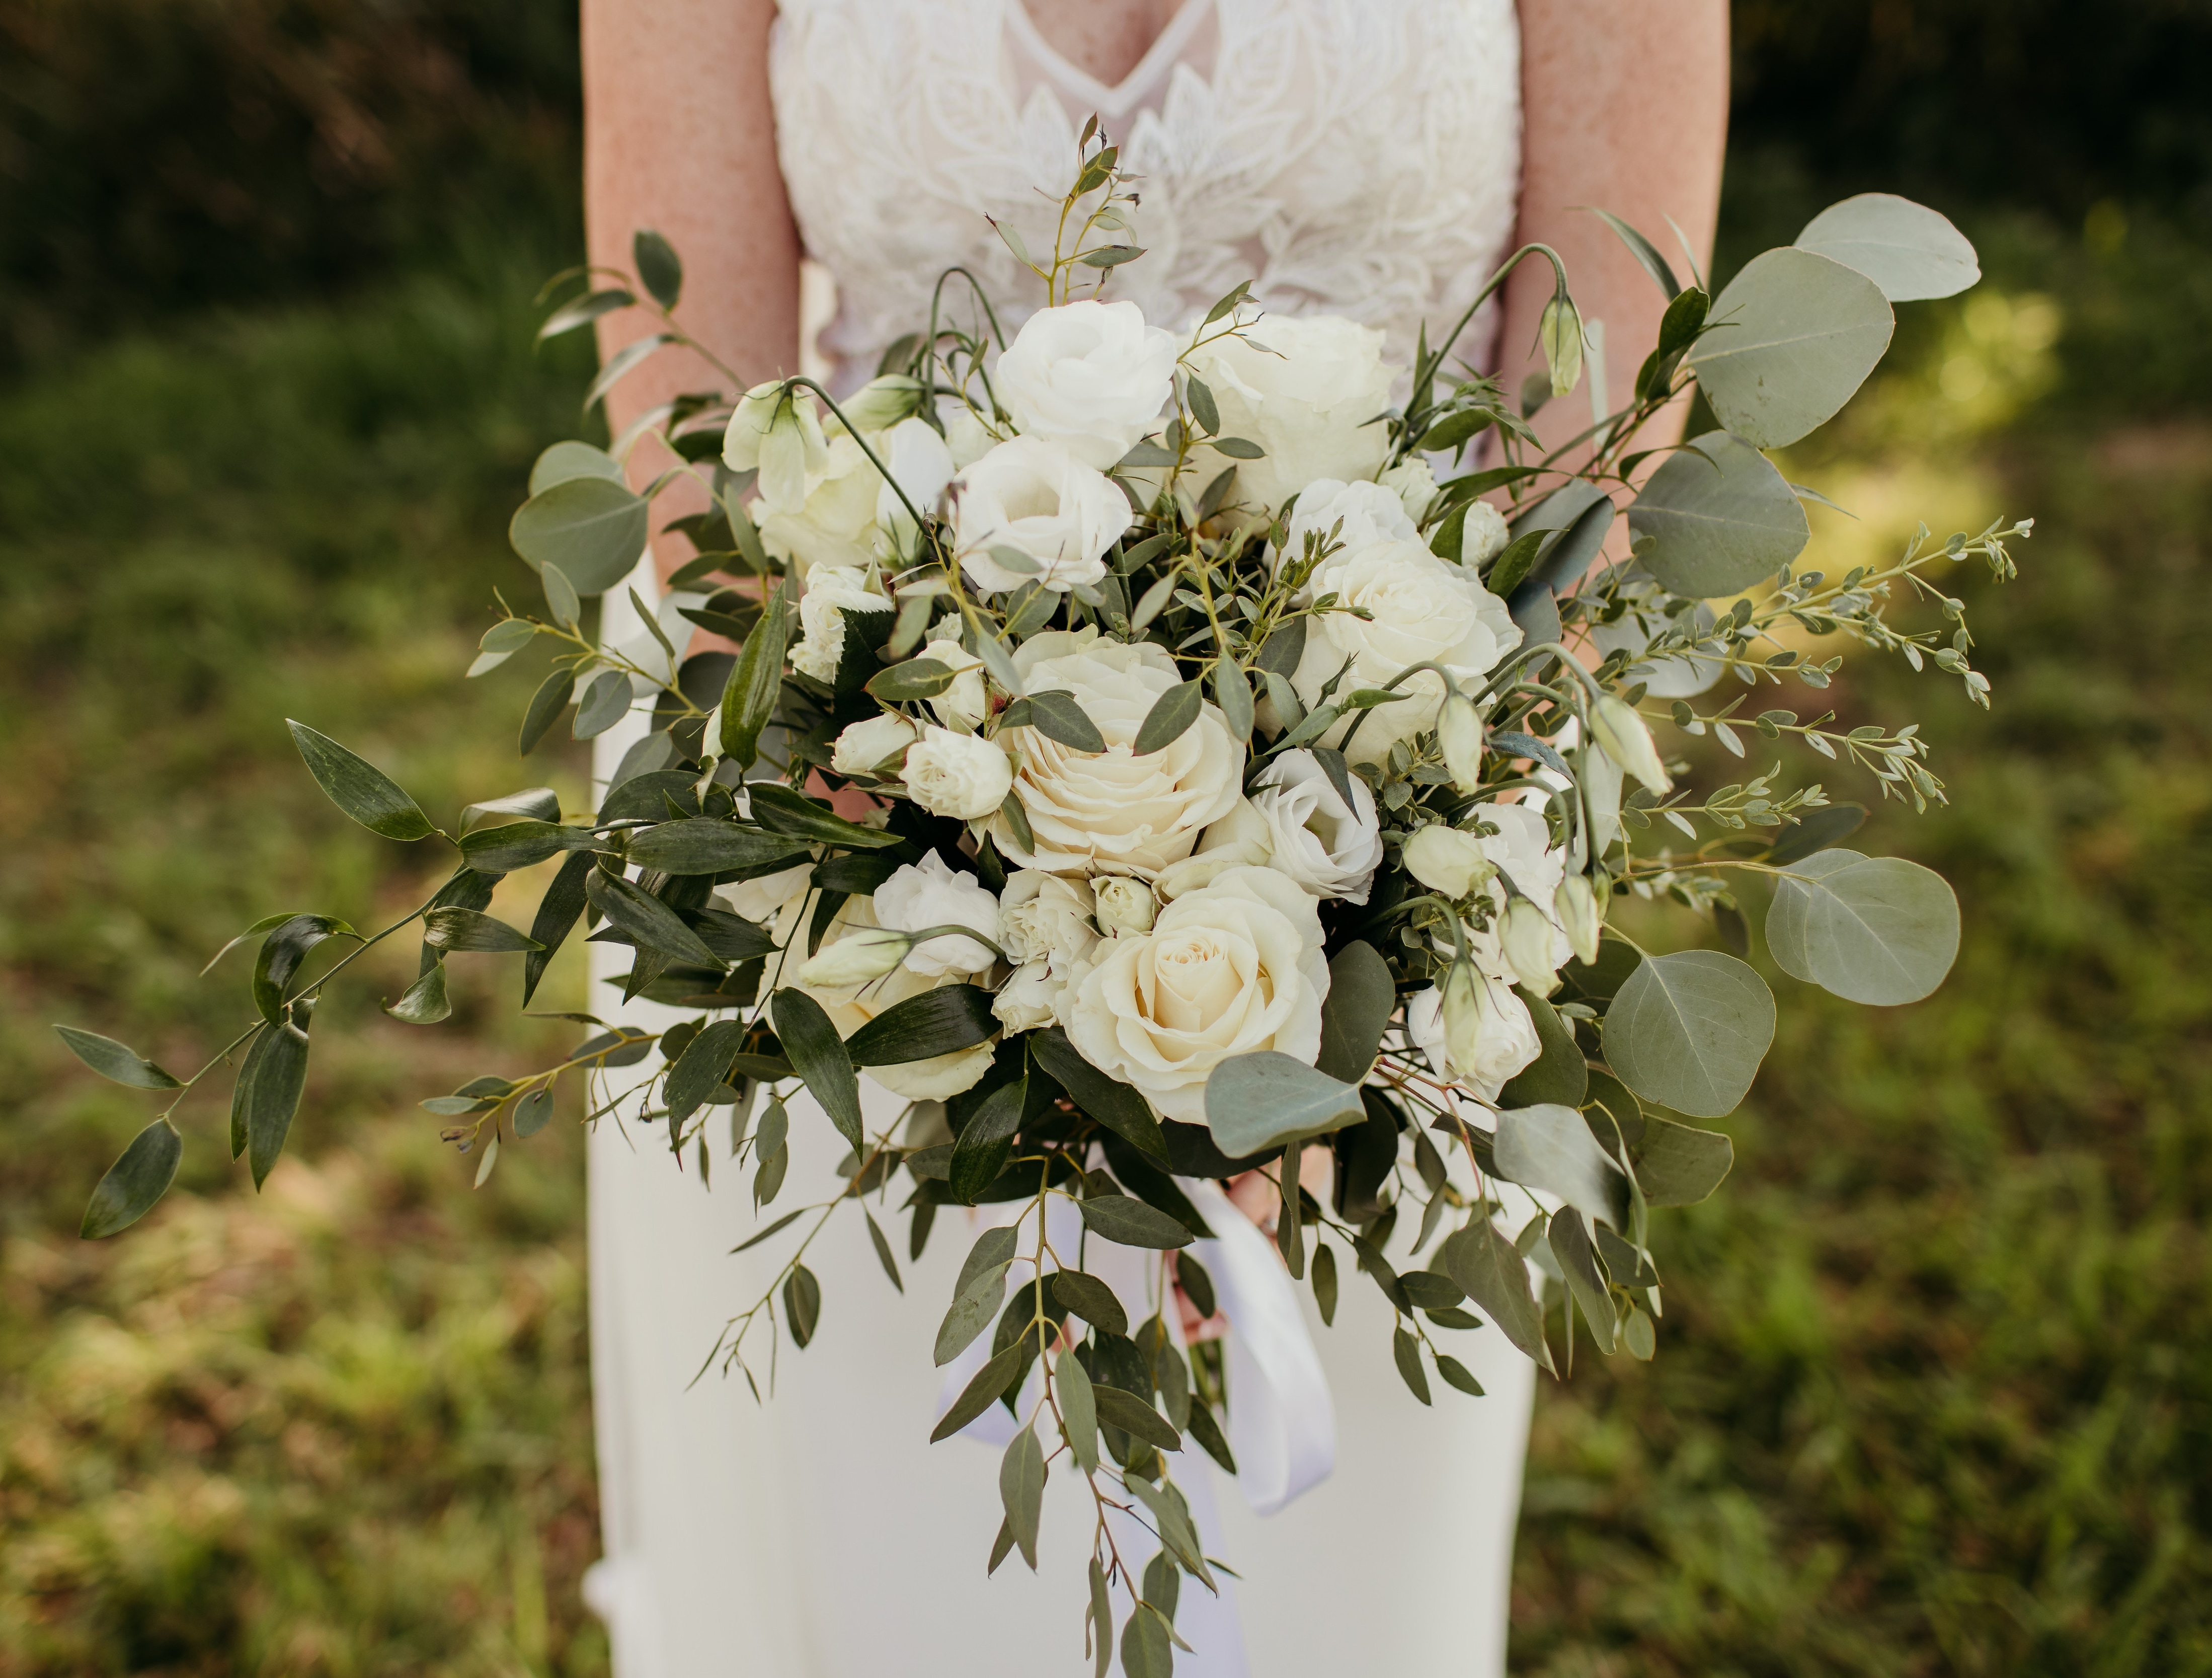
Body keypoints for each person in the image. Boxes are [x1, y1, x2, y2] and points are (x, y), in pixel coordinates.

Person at [576, 4, 1727, 1673]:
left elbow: (1599, 436)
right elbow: (690, 410)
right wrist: (941, 906)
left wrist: (1344, 957)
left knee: (1337, 1571)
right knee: (901, 1565)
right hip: (861, 901)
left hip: (1408, 833)